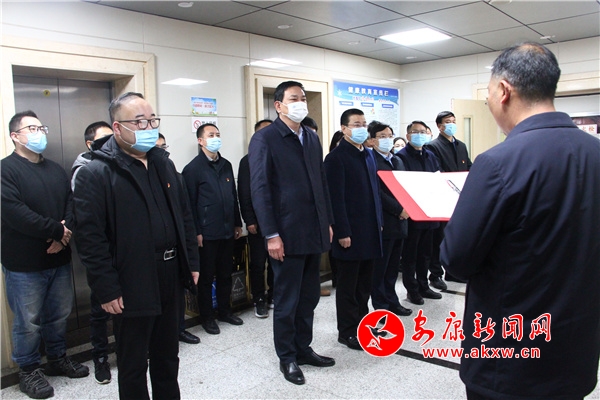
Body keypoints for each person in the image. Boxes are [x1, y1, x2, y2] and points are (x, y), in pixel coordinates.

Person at [441, 42, 600, 400]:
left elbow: (457, 259)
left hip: (512, 359)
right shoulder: (595, 152)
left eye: (488, 96)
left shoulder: (498, 162)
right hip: (576, 350)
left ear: (503, 90)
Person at [73, 92, 199, 400]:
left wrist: (191, 263)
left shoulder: (163, 164)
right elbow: (90, 238)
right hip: (131, 280)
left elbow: (184, 217)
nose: (149, 127)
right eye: (139, 122)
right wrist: (106, 288)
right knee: (132, 363)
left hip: (170, 273)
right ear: (117, 128)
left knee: (167, 356)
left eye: (152, 120)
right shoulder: (96, 172)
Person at [249, 80, 335, 385]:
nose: (301, 103)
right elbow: (260, 189)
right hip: (285, 233)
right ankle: (286, 357)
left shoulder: (310, 137)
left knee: (309, 296)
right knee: (287, 300)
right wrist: (271, 234)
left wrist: (327, 221)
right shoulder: (265, 138)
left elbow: (321, 183)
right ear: (279, 105)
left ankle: (303, 348)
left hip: (313, 230)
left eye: (303, 98)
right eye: (294, 98)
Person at [2, 111, 89, 400]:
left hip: (58, 258)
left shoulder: (55, 169)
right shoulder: (6, 170)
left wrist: (64, 236)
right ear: (15, 136)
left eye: (41, 127)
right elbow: (15, 212)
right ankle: (28, 370)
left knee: (59, 315)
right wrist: (56, 230)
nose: (39, 133)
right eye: (32, 128)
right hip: (24, 264)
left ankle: (57, 358)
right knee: (28, 321)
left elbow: (70, 204)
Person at [325, 109, 383, 351]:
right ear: (344, 129)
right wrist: (342, 232)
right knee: (348, 287)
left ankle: (363, 324)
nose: (362, 128)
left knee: (364, 285)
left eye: (364, 124)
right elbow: (335, 200)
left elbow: (374, 193)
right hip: (349, 233)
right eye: (356, 124)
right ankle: (347, 331)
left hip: (370, 231)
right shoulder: (336, 158)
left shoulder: (368, 154)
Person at [182, 123, 244, 335]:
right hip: (207, 233)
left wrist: (237, 222)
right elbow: (189, 205)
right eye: (211, 135)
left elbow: (232, 196)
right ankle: (207, 317)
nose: (216, 138)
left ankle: (225, 311)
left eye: (218, 134)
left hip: (227, 230)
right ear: (200, 141)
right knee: (206, 278)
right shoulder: (192, 169)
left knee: (226, 274)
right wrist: (196, 232)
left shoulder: (226, 165)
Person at [71, 121, 113, 385]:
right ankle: (100, 357)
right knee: (100, 308)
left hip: (122, 251)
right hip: (100, 253)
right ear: (90, 144)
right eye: (104, 139)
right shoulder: (83, 171)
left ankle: (128, 350)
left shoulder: (116, 165)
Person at [153, 134, 200, 345]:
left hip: (175, 252)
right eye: (156, 147)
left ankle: (179, 329)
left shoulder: (175, 175)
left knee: (177, 296)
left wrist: (192, 260)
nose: (161, 151)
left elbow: (186, 217)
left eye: (163, 147)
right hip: (151, 257)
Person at [367, 121, 412, 317]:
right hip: (384, 221)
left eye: (390, 136)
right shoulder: (371, 161)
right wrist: (398, 209)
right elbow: (377, 192)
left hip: (401, 221)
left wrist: (407, 208)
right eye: (382, 136)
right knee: (380, 269)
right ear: (372, 140)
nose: (387, 140)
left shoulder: (398, 160)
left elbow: (405, 187)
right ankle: (381, 306)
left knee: (393, 268)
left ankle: (392, 301)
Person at [425, 111, 472, 289]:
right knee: (440, 238)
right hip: (442, 197)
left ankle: (452, 272)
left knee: (457, 236)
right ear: (439, 126)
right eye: (447, 122)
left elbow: (468, 166)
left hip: (460, 198)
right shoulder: (433, 146)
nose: (451, 124)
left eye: (453, 121)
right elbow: (436, 171)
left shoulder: (461, 145)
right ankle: (435, 274)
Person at [397, 121, 442, 305]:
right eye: (416, 132)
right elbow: (400, 185)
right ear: (408, 135)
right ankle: (412, 289)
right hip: (412, 213)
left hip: (429, 211)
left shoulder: (430, 155)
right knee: (411, 254)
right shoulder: (401, 157)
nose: (420, 135)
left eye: (423, 132)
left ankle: (424, 285)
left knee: (426, 253)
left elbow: (438, 178)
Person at [238, 119, 274, 318]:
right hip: (258, 223)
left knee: (276, 261)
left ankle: (274, 295)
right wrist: (249, 219)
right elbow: (244, 192)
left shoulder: (279, 155)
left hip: (278, 221)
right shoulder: (248, 160)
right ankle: (259, 299)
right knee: (258, 264)